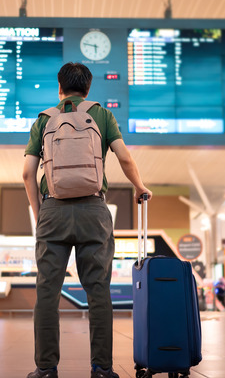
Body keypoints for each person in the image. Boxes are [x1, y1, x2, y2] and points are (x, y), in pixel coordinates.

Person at [23, 62, 152, 378]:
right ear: (88, 88)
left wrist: (41, 215)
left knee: (47, 292)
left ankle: (46, 369)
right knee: (98, 292)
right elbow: (124, 157)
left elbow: (27, 173)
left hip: (53, 210)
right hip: (94, 211)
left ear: (60, 87)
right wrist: (140, 186)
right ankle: (102, 368)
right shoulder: (102, 115)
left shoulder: (44, 120)